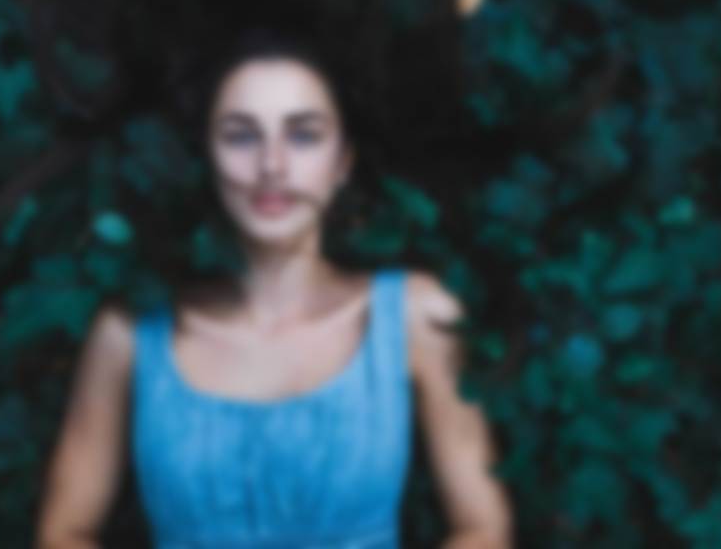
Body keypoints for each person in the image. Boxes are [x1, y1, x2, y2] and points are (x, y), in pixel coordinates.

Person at [34, 27, 512, 548]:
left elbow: (483, 528)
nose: (272, 166)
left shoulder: (416, 315)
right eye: (241, 136)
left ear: (343, 162)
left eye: (304, 135)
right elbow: (63, 532)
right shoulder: (130, 332)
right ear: (207, 156)